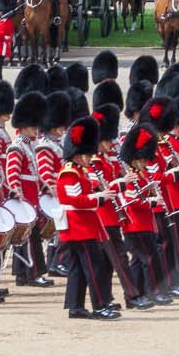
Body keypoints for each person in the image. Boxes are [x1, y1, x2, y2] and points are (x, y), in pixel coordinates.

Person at [56, 114, 116, 320]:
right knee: (93, 268)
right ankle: (99, 306)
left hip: (82, 226)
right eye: (88, 155)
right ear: (78, 153)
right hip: (79, 227)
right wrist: (99, 197)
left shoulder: (79, 171)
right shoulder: (69, 173)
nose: (90, 158)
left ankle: (75, 306)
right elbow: (76, 200)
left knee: (78, 269)